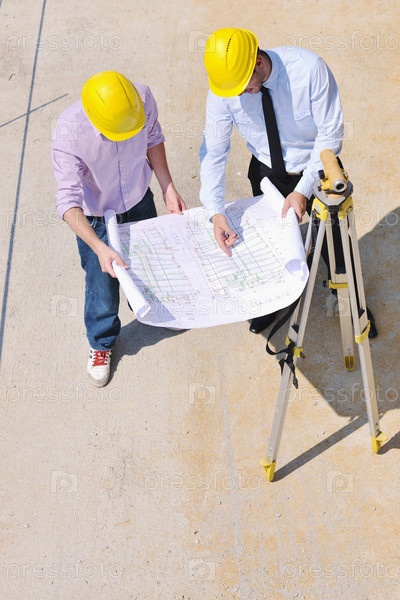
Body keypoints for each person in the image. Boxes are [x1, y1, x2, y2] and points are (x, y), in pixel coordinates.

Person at [199, 28, 377, 337]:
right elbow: (214, 152)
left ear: (257, 62)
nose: (238, 96)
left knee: (336, 246)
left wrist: (302, 190)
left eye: (244, 88)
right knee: (272, 245)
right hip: (266, 171)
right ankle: (275, 300)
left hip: (317, 169)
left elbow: (329, 135)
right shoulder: (225, 89)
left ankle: (351, 303)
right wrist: (215, 211)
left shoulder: (309, 70)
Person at [52, 71, 186, 387]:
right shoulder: (69, 133)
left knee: (148, 264)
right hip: (97, 217)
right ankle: (101, 342)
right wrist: (99, 248)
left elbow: (153, 138)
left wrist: (167, 186)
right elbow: (67, 203)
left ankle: (152, 310)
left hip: (139, 198)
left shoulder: (141, 97)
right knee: (102, 284)